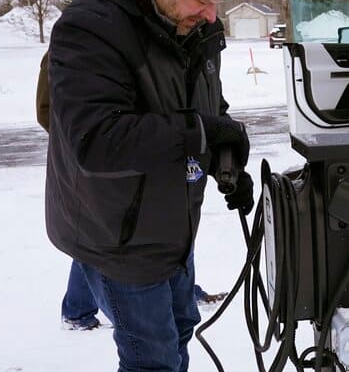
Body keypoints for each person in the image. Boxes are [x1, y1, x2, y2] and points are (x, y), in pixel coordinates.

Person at [44, 0, 254, 372]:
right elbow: (95, 139)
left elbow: (208, 108)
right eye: (202, 0)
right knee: (148, 353)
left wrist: (225, 157)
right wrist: (198, 134)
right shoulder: (91, 28)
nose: (212, 14)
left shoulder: (194, 25)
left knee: (181, 324)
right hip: (114, 226)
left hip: (171, 217)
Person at [36, 56, 227, 331]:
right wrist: (83, 147)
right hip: (104, 177)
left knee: (156, 236)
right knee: (98, 243)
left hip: (160, 170)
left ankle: (176, 292)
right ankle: (77, 310)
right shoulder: (74, 48)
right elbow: (50, 112)